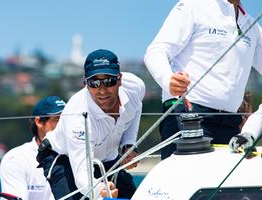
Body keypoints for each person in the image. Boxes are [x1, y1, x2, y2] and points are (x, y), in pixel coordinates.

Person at [144, 0, 262, 159]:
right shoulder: (193, 5)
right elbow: (156, 51)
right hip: (188, 114)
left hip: (230, 122)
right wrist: (168, 79)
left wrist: (253, 126)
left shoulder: (252, 26)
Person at [37, 49, 145, 199]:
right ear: (85, 83)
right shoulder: (78, 115)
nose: (102, 90)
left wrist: (129, 144)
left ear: (119, 79)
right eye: (94, 82)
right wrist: (100, 190)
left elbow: (137, 107)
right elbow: (82, 175)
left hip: (106, 158)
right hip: (63, 158)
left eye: (109, 81)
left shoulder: (135, 87)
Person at [0, 96, 66, 200]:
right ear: (39, 122)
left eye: (67, 119)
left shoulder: (78, 153)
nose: (64, 125)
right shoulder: (16, 158)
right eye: (58, 119)